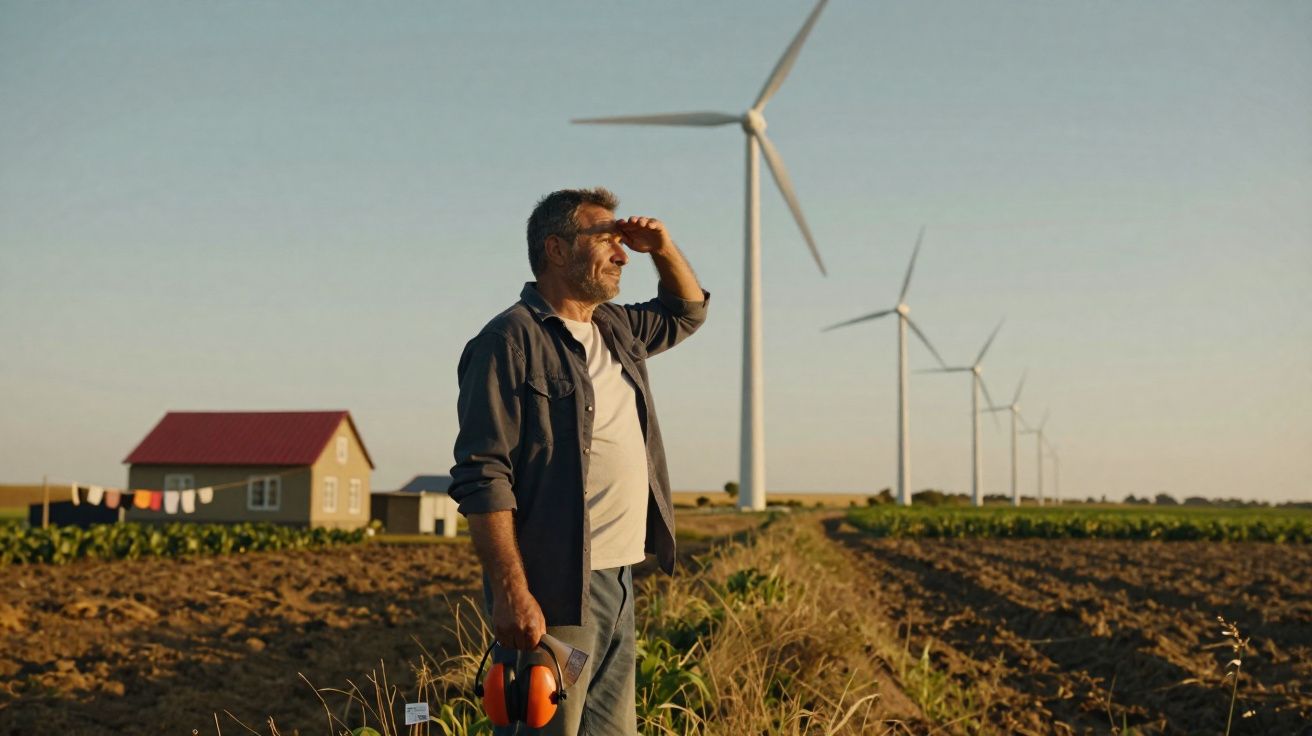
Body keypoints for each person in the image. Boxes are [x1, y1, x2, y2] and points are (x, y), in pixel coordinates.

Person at [448, 187, 708, 735]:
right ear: (557, 250)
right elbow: (483, 475)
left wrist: (662, 245)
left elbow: (686, 310)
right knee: (545, 730)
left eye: (624, 244)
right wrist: (514, 592)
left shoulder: (617, 329)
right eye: (607, 241)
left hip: (617, 578)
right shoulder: (508, 341)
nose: (622, 255)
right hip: (554, 588)